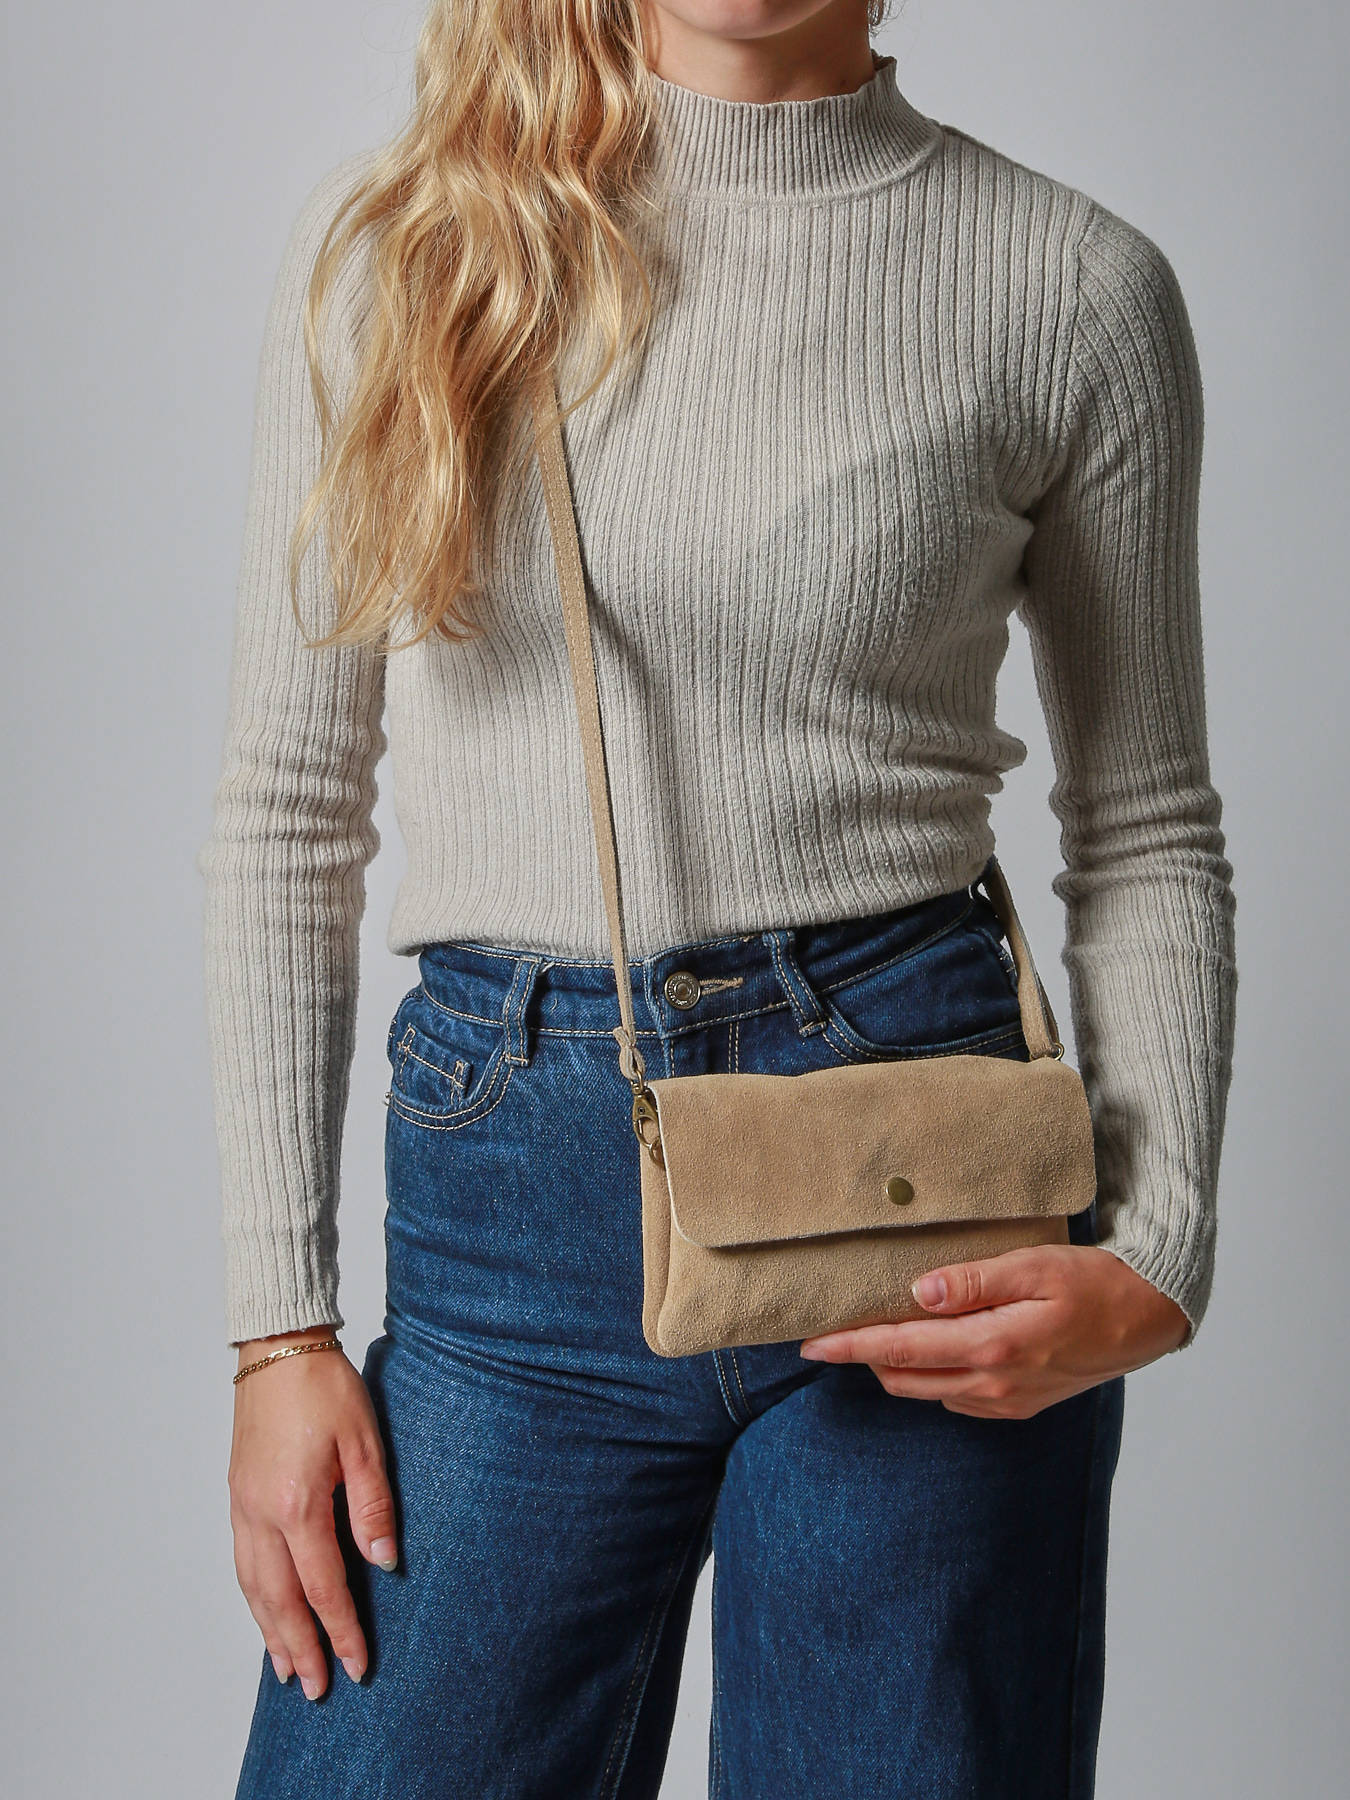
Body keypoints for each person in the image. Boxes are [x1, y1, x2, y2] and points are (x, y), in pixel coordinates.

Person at [198, 3, 1238, 1795]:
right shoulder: (413, 242)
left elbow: (1143, 821)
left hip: (919, 1186)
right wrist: (277, 1330)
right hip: (511, 1214)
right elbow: (287, 812)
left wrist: (1161, 1253)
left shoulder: (1069, 287)